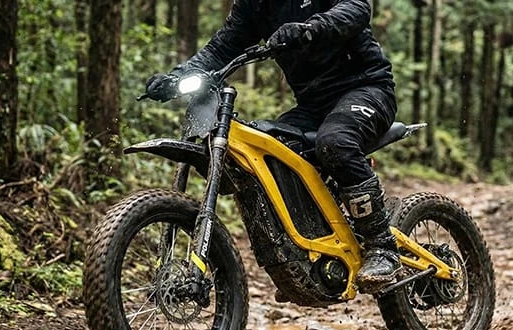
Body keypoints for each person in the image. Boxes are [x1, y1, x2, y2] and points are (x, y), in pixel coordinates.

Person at [145, 0, 401, 292]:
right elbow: (221, 48)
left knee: (335, 142)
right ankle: (308, 247)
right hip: (312, 105)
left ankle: (382, 247)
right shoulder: (253, 5)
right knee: (269, 152)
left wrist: (310, 28)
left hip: (367, 88)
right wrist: (177, 75)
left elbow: (357, 8)